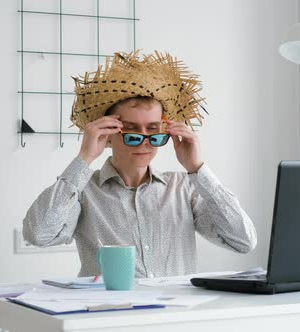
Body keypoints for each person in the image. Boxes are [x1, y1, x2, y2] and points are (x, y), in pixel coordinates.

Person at [23, 50, 256, 278]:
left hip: (173, 314)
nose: (144, 142)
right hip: (109, 314)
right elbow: (38, 234)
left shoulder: (184, 189)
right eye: (132, 130)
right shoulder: (84, 191)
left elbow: (243, 241)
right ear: (109, 132)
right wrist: (84, 159)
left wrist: (197, 168)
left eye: (153, 131)